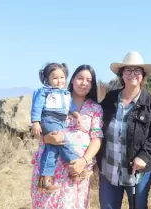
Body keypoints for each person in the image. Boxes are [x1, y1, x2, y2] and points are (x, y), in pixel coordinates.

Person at [97, 51, 151, 209]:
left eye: (137, 70)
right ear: (122, 74)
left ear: (143, 75)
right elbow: (96, 123)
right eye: (128, 70)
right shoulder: (110, 98)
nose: (132, 74)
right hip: (109, 169)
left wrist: (144, 155)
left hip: (137, 172)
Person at [31, 64, 104, 209]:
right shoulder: (54, 97)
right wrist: (47, 139)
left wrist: (83, 161)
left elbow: (97, 138)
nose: (84, 83)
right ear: (71, 80)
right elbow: (38, 129)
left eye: (89, 80)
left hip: (76, 170)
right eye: (80, 78)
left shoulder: (95, 108)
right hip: (51, 167)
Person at [31, 63, 81, 191]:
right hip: (49, 119)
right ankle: (74, 165)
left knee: (52, 148)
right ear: (48, 79)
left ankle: (45, 180)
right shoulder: (44, 91)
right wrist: (35, 121)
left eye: (62, 77)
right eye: (55, 78)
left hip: (60, 122)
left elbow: (71, 107)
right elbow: (37, 107)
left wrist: (76, 115)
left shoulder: (66, 93)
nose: (59, 81)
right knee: (61, 140)